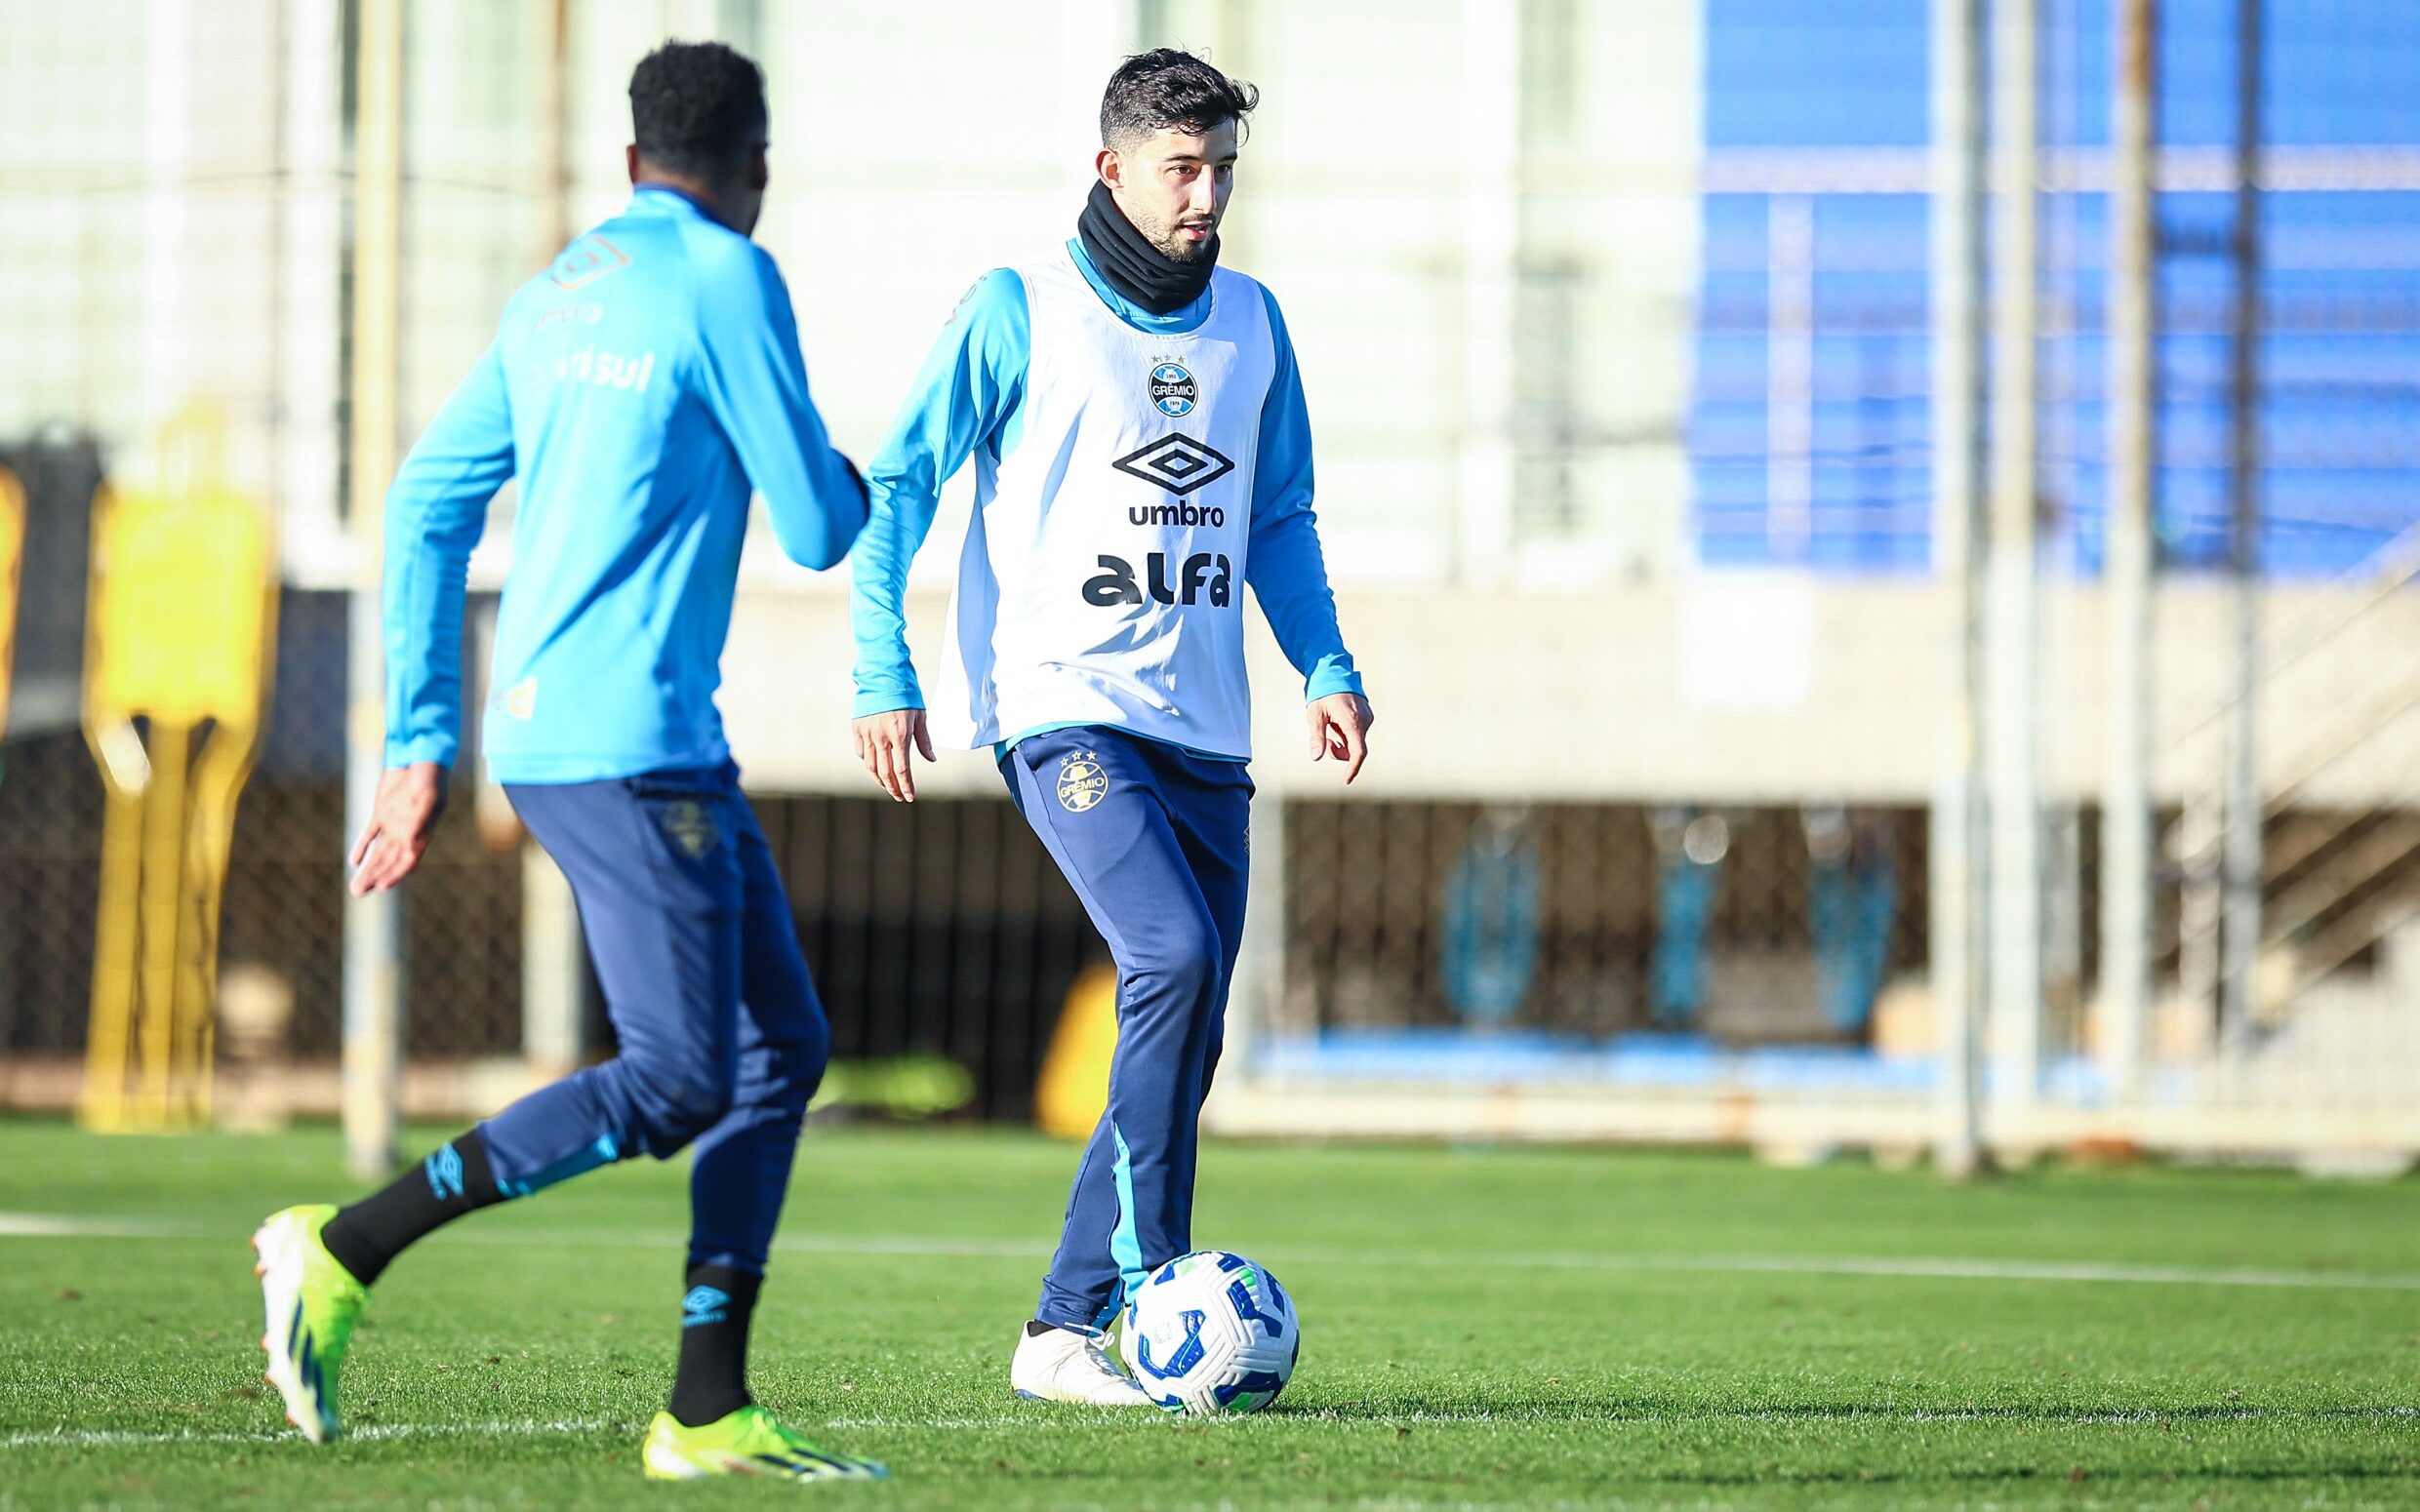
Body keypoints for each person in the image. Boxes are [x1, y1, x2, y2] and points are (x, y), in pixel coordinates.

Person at [250, 41, 886, 1482]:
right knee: (676, 1078)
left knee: (776, 1051)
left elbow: (420, 504)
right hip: (635, 747)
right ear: (758, 171)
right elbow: (816, 520)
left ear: (628, 163)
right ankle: (342, 1248)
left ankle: (708, 1408)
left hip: (570, 736)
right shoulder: (731, 278)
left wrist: (419, 747)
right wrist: (885, 475)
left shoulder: (560, 290)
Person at [850, 48, 1374, 1406]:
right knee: (1171, 951)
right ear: (1112, 168)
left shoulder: (1253, 324)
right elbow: (899, 482)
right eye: (1181, 170)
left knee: (1184, 1028)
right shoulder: (1018, 309)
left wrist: (1325, 662)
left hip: (1208, 733)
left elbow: (1278, 518)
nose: (1206, 197)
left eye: (1221, 173)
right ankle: (1154, 1293)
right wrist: (880, 665)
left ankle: (1055, 1331)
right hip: (1064, 705)